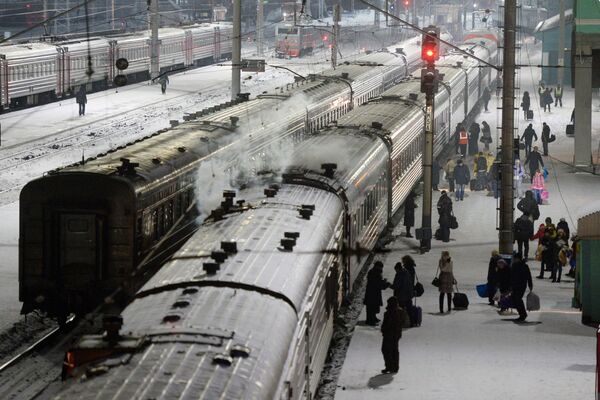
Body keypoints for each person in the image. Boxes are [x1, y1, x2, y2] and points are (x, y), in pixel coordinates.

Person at [380, 296, 403, 374]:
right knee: (394, 350)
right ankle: (395, 367)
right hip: (397, 334)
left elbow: (387, 324)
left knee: (385, 350)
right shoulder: (400, 311)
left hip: (389, 334)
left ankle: (389, 366)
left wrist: (383, 330)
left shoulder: (389, 313)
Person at [363, 261, 389, 325]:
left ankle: (373, 318)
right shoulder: (374, 273)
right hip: (372, 293)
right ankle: (370, 320)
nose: (381, 269)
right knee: (371, 307)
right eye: (380, 267)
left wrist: (383, 282)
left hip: (373, 292)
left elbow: (378, 282)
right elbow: (377, 284)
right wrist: (385, 284)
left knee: (373, 306)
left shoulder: (374, 272)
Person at [510, 253, 533, 322]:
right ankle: (522, 314)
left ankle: (523, 315)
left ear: (518, 259)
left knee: (518, 299)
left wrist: (530, 285)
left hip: (521, 286)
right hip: (515, 285)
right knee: (515, 299)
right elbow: (511, 276)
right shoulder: (514, 265)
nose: (514, 260)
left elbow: (529, 276)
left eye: (515, 258)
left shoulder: (524, 266)